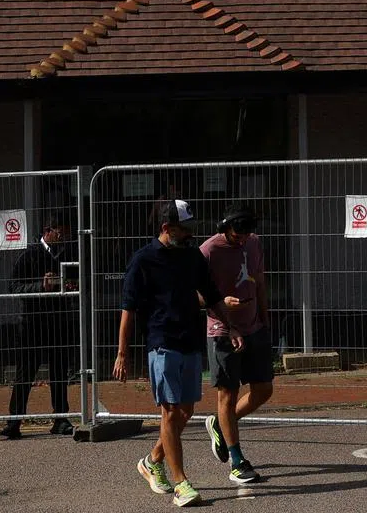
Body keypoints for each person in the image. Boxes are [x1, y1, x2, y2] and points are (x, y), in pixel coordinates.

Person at [114, 199, 243, 508]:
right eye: (184, 229)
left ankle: (152, 461)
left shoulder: (192, 257)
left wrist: (232, 327)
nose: (189, 234)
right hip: (161, 342)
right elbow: (128, 309)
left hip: (189, 342)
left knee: (185, 411)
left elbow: (211, 296)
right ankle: (181, 483)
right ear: (166, 228)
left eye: (190, 228)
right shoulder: (143, 260)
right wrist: (122, 353)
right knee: (171, 412)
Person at [199, 203, 272, 484]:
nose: (242, 239)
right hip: (221, 330)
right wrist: (219, 302)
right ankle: (237, 461)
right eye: (237, 234)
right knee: (226, 396)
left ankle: (220, 423)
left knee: (263, 389)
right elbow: (193, 294)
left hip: (253, 326)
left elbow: (260, 281)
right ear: (225, 227)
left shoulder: (253, 243)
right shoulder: (208, 250)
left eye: (246, 234)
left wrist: (265, 317)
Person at [1, 214, 77, 439]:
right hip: (32, 323)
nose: (64, 238)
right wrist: (40, 286)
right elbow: (14, 287)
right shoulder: (30, 255)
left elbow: (79, 281)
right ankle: (14, 421)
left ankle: (61, 418)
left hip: (59, 321)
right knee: (25, 373)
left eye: (66, 234)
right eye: (60, 233)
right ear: (48, 231)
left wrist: (71, 286)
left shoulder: (68, 254)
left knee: (59, 372)